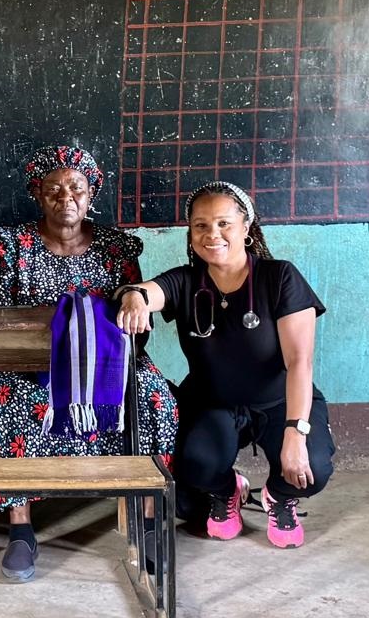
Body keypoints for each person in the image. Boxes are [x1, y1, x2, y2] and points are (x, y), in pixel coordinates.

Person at [0, 144, 178, 582]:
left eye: (76, 187)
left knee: (154, 398)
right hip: (33, 363)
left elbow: (137, 319)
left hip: (107, 362)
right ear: (38, 193)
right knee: (11, 397)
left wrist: (120, 311)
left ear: (91, 195)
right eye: (53, 188)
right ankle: (20, 529)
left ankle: (145, 516)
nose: (65, 196)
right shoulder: (13, 245)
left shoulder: (114, 246)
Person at [115, 181, 336, 549]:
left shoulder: (279, 277)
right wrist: (134, 297)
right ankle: (227, 490)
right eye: (200, 225)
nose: (211, 234)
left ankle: (278, 498)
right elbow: (146, 291)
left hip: (279, 401)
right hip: (213, 403)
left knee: (311, 470)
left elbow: (300, 362)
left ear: (246, 228)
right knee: (195, 472)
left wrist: (295, 434)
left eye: (223, 223)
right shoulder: (186, 281)